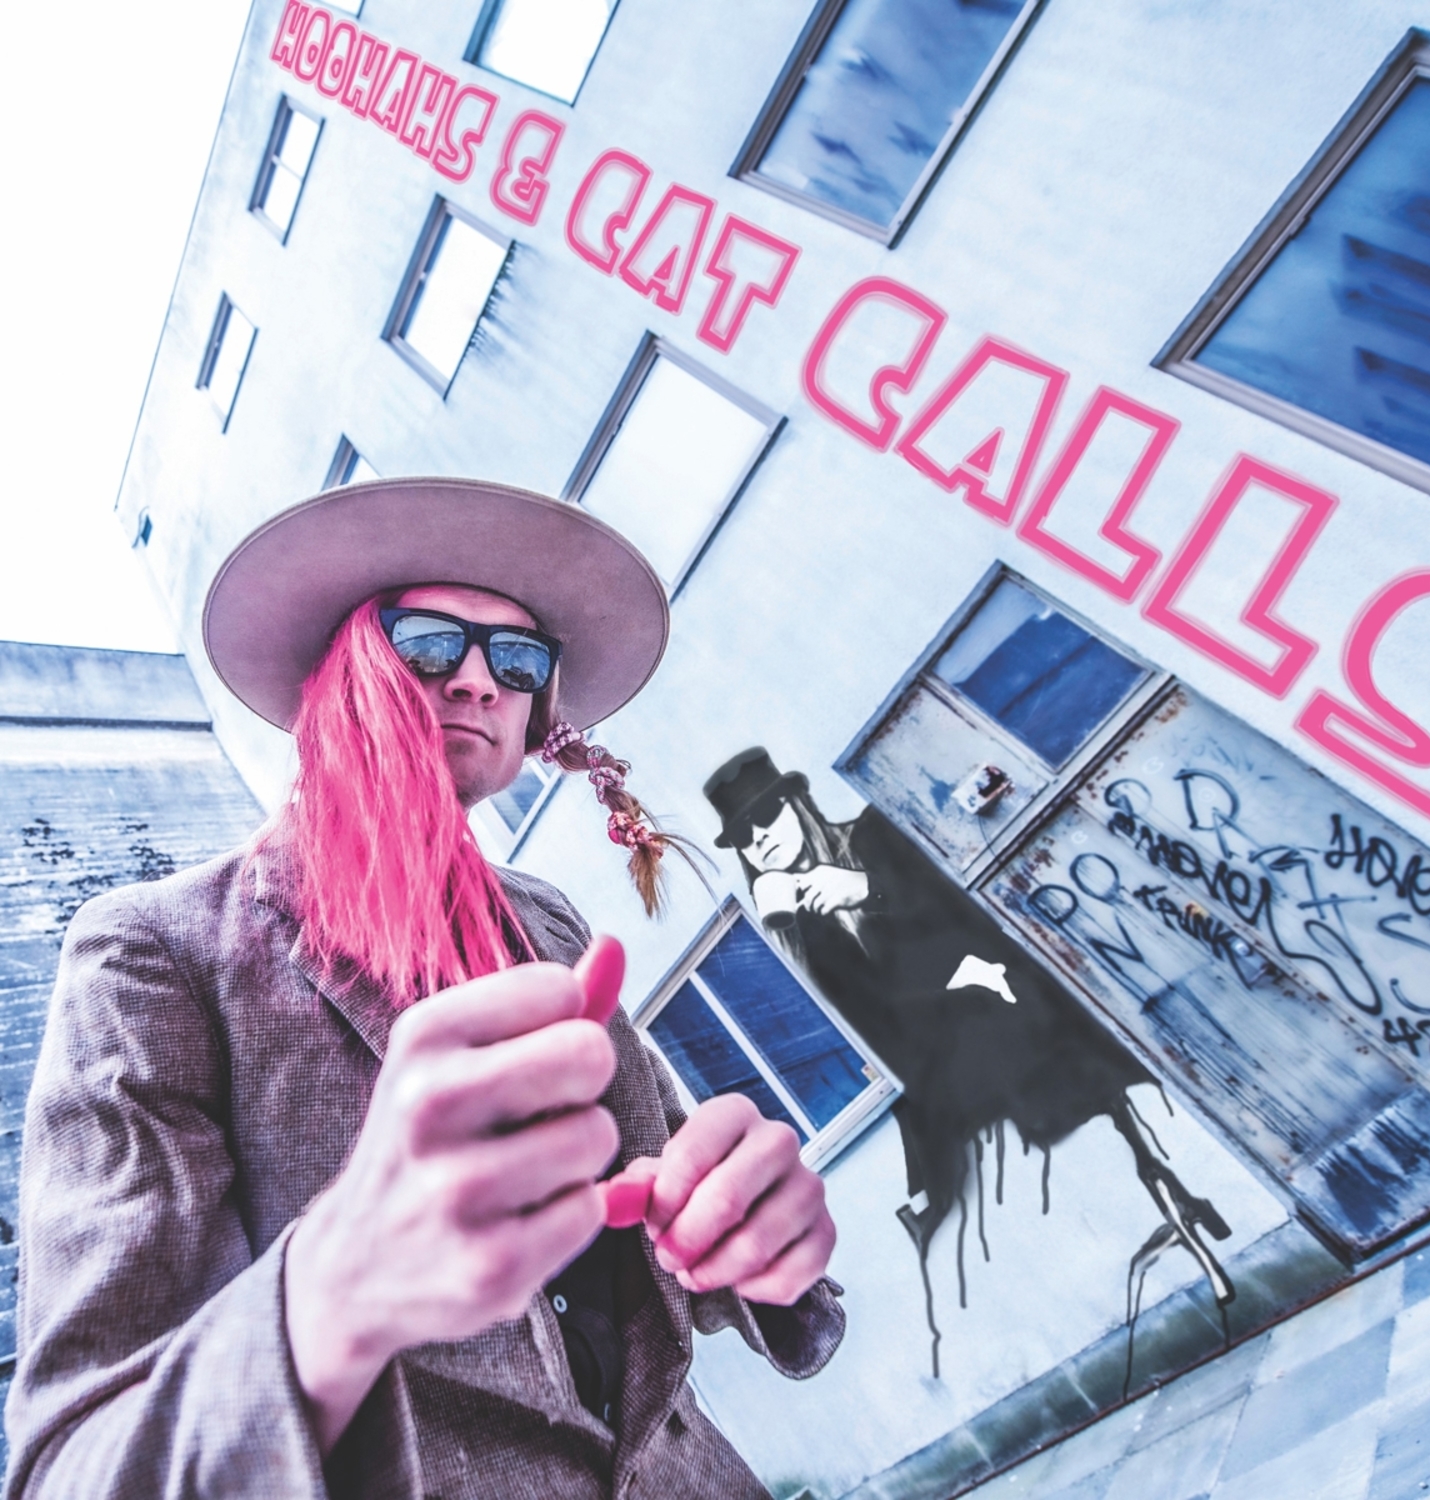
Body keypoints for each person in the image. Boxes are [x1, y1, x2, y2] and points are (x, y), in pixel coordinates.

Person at [5, 480, 842, 1500]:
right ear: (336, 674)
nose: (480, 679)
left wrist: (756, 1234)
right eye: (431, 642)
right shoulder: (155, 952)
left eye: (519, 659)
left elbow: (675, 1208)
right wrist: (341, 1284)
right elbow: (77, 1469)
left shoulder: (552, 927)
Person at [703, 748, 1232, 1379]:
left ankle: (1185, 1225)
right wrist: (785, 925)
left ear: (797, 804)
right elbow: (857, 1025)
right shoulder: (793, 922)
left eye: (766, 819)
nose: (759, 841)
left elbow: (961, 909)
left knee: (1109, 1137)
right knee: (983, 1225)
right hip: (949, 1092)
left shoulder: (871, 839)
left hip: (1022, 1042)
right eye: (744, 836)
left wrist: (864, 888)